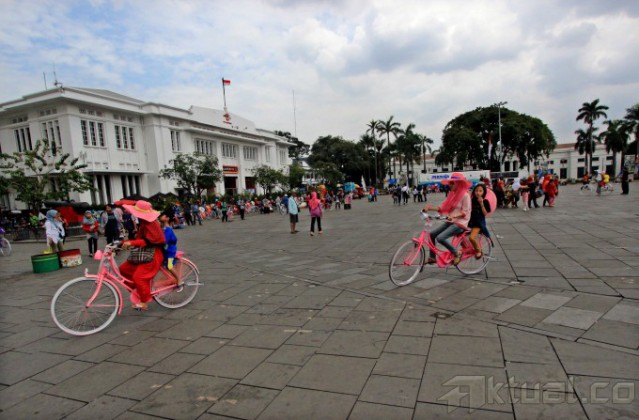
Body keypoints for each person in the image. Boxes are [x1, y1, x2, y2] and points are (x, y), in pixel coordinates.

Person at [119, 200, 166, 311]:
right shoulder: (144, 222)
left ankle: (145, 301)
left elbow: (149, 241)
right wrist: (123, 242)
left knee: (138, 277)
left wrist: (131, 243)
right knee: (123, 269)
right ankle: (139, 289)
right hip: (144, 253)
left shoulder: (152, 224)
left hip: (153, 254)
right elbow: (141, 239)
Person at [423, 172, 472, 265]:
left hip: (460, 223)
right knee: (431, 235)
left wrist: (454, 216)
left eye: (452, 183)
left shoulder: (465, 196)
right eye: (450, 183)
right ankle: (432, 257)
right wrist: (429, 208)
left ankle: (457, 253)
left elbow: (465, 212)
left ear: (459, 183)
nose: (450, 185)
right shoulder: (452, 194)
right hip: (451, 221)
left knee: (440, 238)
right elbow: (443, 207)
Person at [468, 183, 491, 259]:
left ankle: (479, 251)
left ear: (484, 192)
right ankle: (468, 249)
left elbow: (485, 213)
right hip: (469, 223)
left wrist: (481, 204)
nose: (478, 192)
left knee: (471, 238)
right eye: (476, 191)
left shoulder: (485, 201)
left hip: (478, 224)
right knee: (460, 237)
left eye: (480, 191)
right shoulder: (471, 201)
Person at [159, 211, 180, 284]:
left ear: (167, 218)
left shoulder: (168, 229)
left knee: (170, 266)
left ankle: (179, 280)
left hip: (170, 251)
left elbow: (164, 240)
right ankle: (171, 278)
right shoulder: (164, 228)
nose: (160, 217)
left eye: (163, 216)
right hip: (166, 251)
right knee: (166, 265)